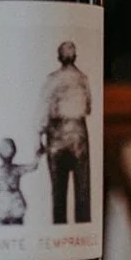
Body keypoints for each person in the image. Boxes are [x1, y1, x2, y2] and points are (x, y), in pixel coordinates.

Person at [37, 40, 92, 224]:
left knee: (58, 190)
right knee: (82, 189)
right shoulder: (83, 78)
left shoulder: (52, 79)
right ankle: (79, 228)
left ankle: (59, 229)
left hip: (57, 135)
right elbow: (89, 108)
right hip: (78, 134)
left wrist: (39, 138)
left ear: (59, 57)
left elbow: (43, 111)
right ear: (74, 56)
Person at [0, 137, 39, 226]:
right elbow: (33, 166)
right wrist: (37, 156)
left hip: (4, 202)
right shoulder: (17, 169)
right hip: (13, 201)